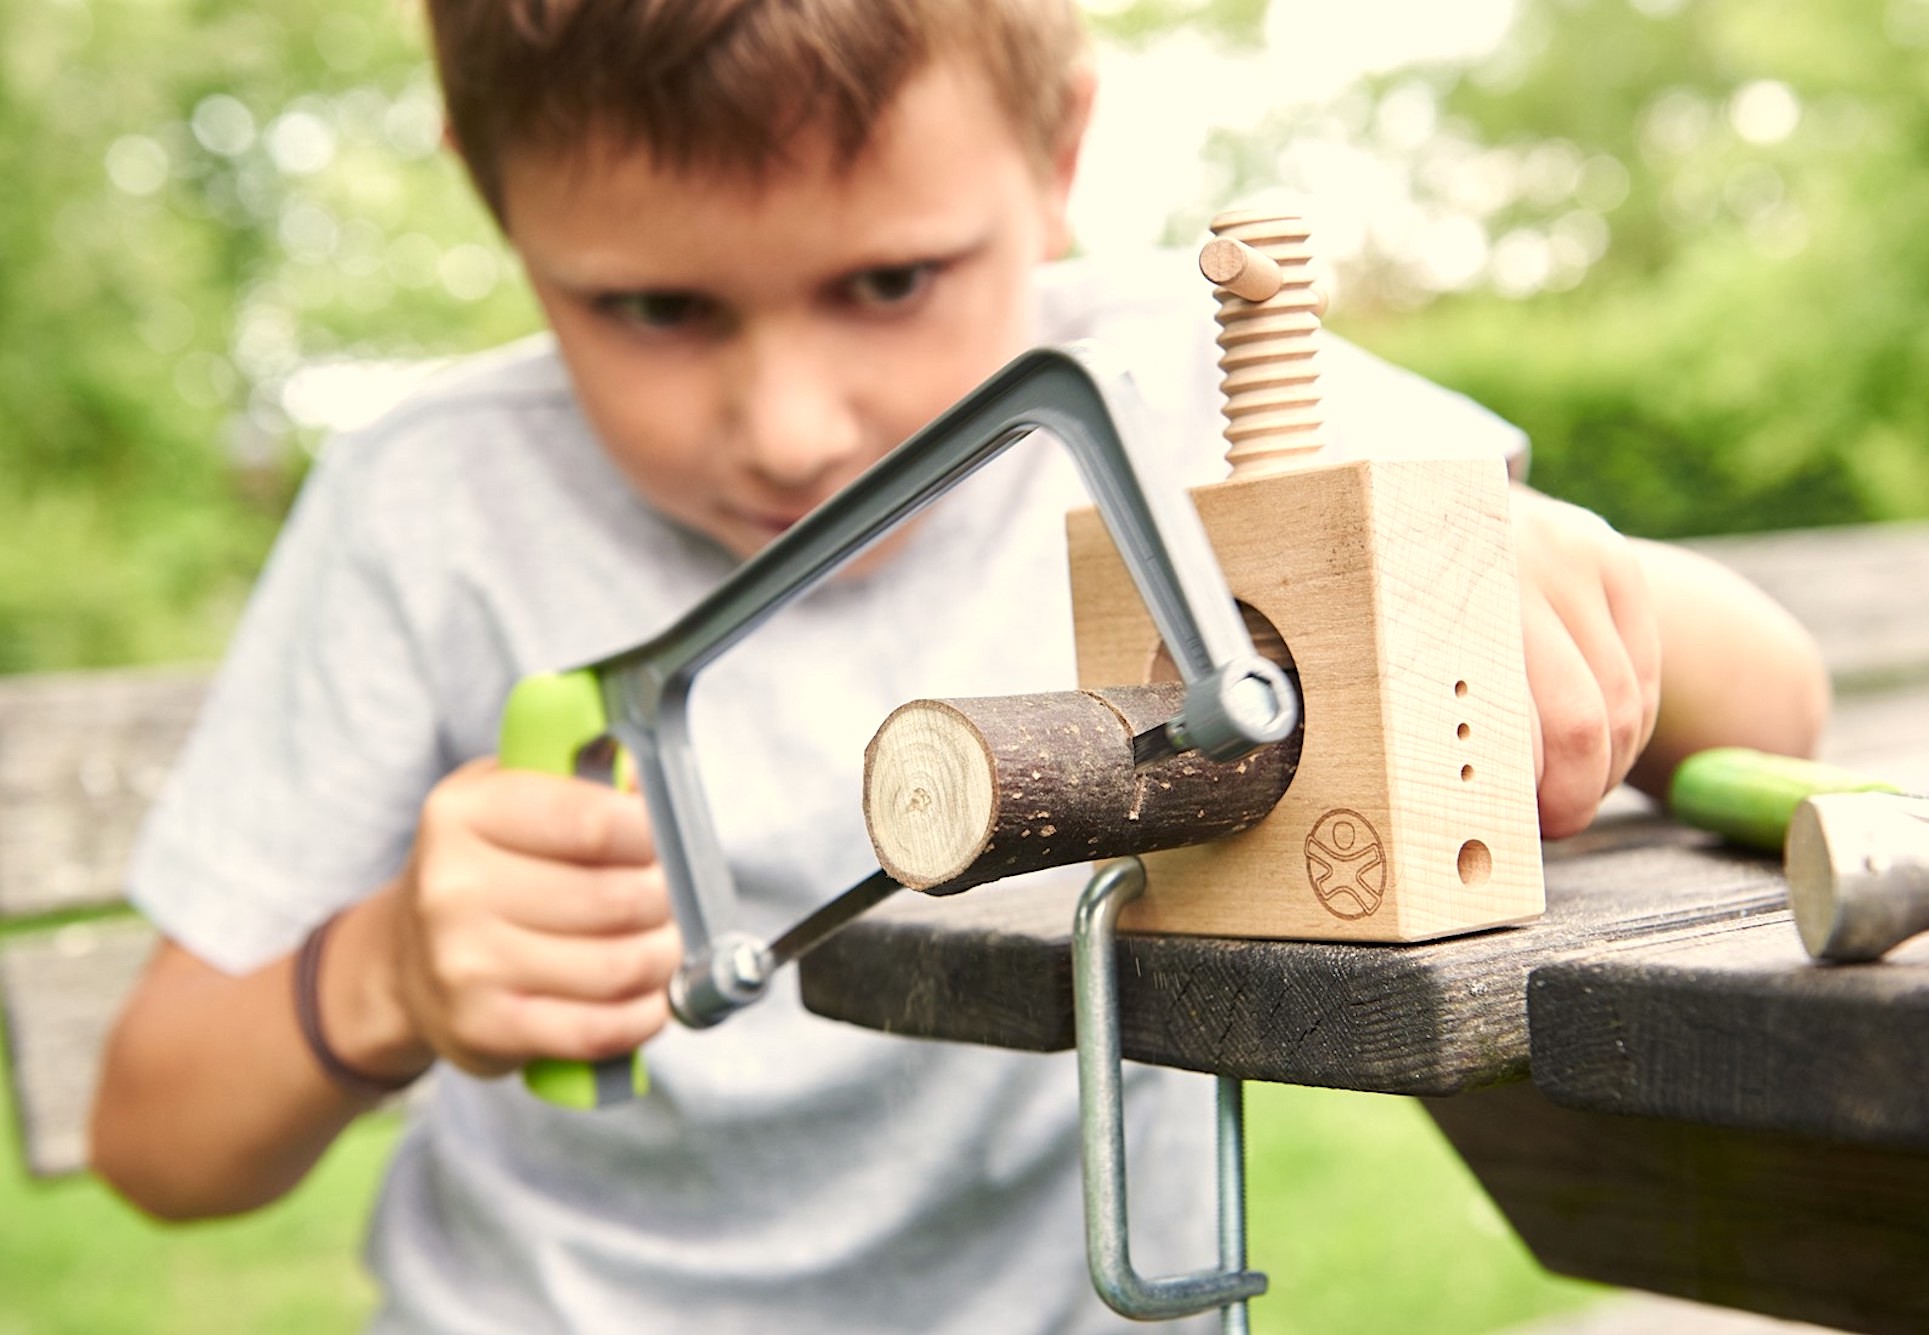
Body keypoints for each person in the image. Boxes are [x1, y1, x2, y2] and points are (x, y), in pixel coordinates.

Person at [89, 2, 1830, 1331]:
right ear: (494, 198)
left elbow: (1776, 711)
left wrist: (1576, 597)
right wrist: (380, 980)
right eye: (655, 310)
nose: (787, 424)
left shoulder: (1204, 389)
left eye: (892, 280)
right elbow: (161, 1140)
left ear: (1056, 157)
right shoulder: (425, 504)